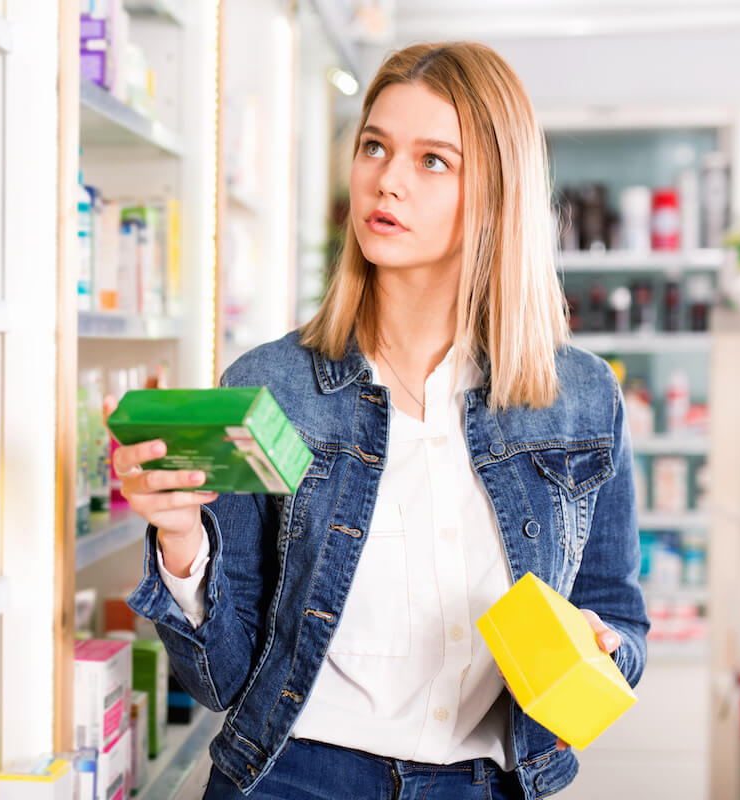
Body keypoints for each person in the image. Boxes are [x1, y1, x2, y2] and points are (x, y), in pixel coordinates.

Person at [107, 42, 649, 800]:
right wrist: (180, 539)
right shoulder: (273, 388)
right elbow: (220, 680)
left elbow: (619, 615)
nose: (387, 181)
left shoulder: (580, 399)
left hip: (489, 783)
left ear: (498, 195)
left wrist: (601, 648)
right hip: (294, 778)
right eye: (374, 146)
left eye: (434, 160)